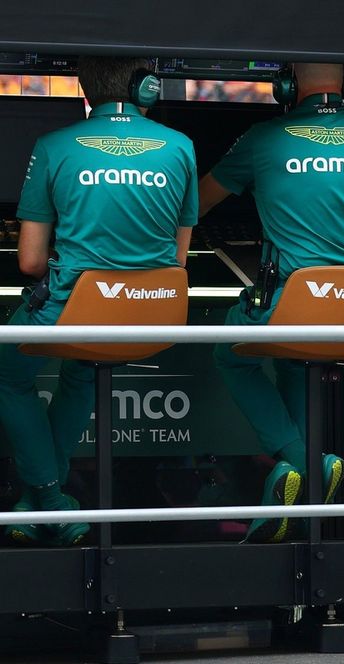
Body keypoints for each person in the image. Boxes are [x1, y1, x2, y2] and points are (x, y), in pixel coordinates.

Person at [199, 62, 344, 543]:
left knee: (228, 352)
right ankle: (294, 500)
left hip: (295, 307)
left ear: (286, 85)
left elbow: (195, 204)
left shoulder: (263, 137)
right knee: (296, 360)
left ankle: (302, 461)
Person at [0, 56, 197, 546]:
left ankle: (44, 493)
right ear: (145, 86)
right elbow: (177, 255)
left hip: (76, 308)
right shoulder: (182, 147)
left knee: (7, 373)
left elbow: (29, 263)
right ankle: (48, 500)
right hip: (153, 310)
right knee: (82, 368)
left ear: (86, 88)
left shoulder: (54, 145)